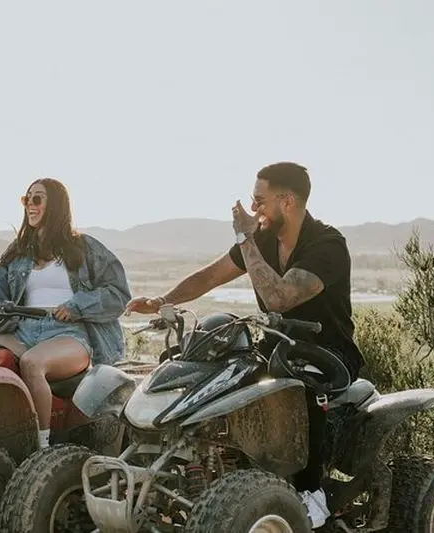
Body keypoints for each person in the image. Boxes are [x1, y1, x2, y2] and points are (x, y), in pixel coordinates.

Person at [126, 161, 364, 529]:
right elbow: (211, 274)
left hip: (327, 352)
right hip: (274, 347)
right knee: (207, 364)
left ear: (287, 201)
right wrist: (162, 300)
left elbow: (279, 298)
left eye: (260, 200)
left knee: (298, 382)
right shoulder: (264, 240)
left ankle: (312, 494)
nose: (253, 210)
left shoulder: (327, 245)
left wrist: (245, 238)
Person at [0, 177, 131, 449]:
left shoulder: (84, 248)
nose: (30, 206)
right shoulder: (17, 252)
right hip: (22, 330)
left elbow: (118, 294)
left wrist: (76, 306)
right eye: (27, 199)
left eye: (37, 199)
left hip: (67, 333)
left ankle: (40, 447)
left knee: (33, 364)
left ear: (56, 205)